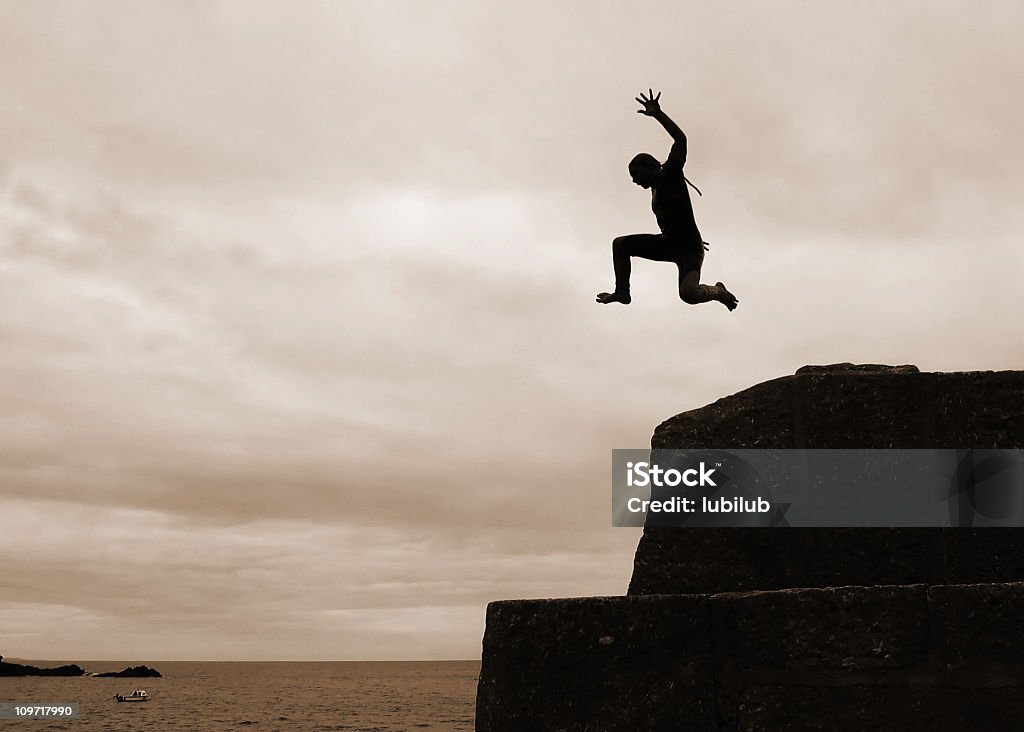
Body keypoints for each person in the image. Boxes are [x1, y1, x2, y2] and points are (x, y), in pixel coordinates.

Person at [597, 90, 738, 311]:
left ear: (650, 166)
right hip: (669, 243)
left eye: (636, 175)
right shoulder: (654, 189)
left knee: (688, 294)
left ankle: (718, 291)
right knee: (620, 244)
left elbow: (681, 139)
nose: (634, 182)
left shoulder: (669, 173)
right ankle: (622, 292)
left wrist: (658, 114)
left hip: (690, 249)